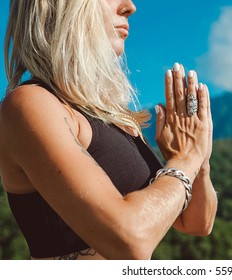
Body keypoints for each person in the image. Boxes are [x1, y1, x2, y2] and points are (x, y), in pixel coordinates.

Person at [0, 0, 217, 260]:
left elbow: (196, 223)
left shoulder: (115, 116)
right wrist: (187, 159)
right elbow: (130, 240)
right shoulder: (30, 104)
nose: (130, 6)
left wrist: (197, 154)